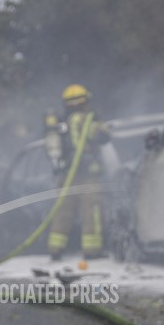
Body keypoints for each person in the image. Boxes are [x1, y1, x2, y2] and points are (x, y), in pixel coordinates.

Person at [45, 84, 111, 261]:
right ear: (84, 102)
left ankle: (55, 249)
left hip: (66, 176)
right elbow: (103, 136)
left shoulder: (60, 125)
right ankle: (92, 251)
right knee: (92, 212)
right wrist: (102, 124)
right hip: (87, 176)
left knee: (62, 213)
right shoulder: (85, 120)